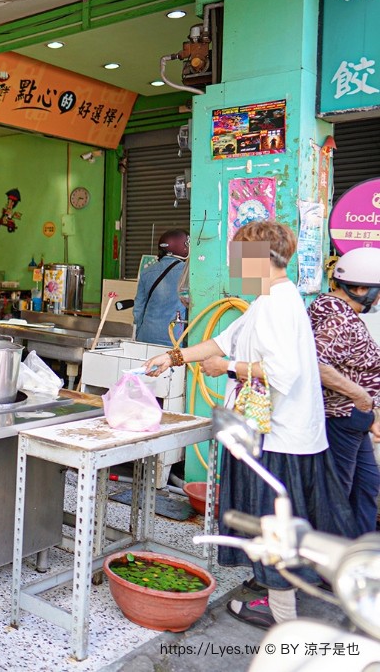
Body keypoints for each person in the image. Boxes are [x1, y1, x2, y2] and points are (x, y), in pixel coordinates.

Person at [143, 221, 354, 629]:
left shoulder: (277, 303)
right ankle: (275, 591)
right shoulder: (267, 299)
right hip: (277, 434)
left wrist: (227, 368)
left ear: (261, 258)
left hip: (280, 439)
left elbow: (281, 372)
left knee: (273, 525)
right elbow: (223, 341)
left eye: (240, 256)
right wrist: (172, 358)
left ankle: (282, 616)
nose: (234, 264)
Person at [308, 247, 380, 537]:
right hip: (340, 417)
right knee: (337, 493)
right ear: (361, 288)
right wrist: (360, 396)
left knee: (366, 484)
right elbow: (317, 363)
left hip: (355, 419)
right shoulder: (337, 319)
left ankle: (359, 554)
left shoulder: (337, 311)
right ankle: (327, 565)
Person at [132, 229, 189, 345]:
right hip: (174, 338)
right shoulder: (188, 272)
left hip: (146, 336)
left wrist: (139, 334)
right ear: (183, 247)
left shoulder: (146, 272)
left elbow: (138, 309)